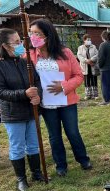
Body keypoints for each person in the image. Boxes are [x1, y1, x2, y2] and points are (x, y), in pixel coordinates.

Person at [29, 19, 92, 177]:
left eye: (37, 33)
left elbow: (78, 76)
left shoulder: (65, 52)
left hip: (67, 101)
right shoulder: (28, 55)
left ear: (47, 35)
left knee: (72, 132)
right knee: (54, 136)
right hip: (46, 103)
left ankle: (83, 159)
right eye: (31, 33)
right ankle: (61, 165)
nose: (33, 36)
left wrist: (64, 86)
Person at [0, 28, 43, 191]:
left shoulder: (26, 62)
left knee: (33, 144)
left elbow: (37, 82)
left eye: (20, 41)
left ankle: (36, 173)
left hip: (31, 112)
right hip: (13, 113)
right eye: (16, 42)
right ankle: (21, 179)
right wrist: (23, 93)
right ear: (5, 46)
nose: (20, 45)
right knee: (17, 146)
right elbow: (0, 91)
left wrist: (38, 96)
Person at [77, 34, 100, 100]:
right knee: (87, 80)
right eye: (87, 40)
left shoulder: (94, 47)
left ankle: (95, 95)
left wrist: (91, 60)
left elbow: (97, 55)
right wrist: (87, 61)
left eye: (90, 40)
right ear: (84, 40)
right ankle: (87, 95)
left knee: (94, 80)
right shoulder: (80, 48)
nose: (89, 41)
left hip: (93, 66)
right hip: (85, 66)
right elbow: (79, 56)